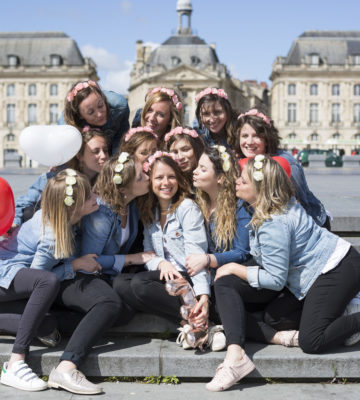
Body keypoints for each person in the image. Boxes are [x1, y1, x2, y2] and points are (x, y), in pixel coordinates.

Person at [206, 156, 360, 392]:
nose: (236, 181)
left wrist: (234, 268)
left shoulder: (273, 222)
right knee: (275, 318)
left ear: (261, 187)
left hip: (337, 268)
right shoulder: (271, 208)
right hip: (310, 276)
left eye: (243, 179)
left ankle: (354, 312)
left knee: (312, 341)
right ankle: (342, 307)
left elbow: (275, 280)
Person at [0, 169, 98, 392]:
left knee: (47, 324)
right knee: (48, 283)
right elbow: (39, 279)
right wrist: (74, 265)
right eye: (90, 196)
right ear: (73, 206)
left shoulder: (59, 219)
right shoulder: (52, 233)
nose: (95, 197)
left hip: (6, 282)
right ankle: (16, 362)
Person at [113, 152, 211, 346]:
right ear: (151, 182)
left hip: (188, 275)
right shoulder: (151, 211)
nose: (166, 182)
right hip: (167, 276)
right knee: (120, 283)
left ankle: (197, 316)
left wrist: (204, 295)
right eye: (159, 177)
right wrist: (161, 262)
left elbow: (196, 254)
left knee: (140, 284)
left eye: (171, 176)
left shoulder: (187, 208)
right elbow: (150, 254)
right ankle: (192, 322)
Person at [235, 108, 330, 228]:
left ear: (267, 139)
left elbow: (301, 205)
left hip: (308, 224)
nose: (249, 141)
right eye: (244, 136)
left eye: (256, 136)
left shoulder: (285, 163)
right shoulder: (241, 161)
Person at [13, 129, 109, 227]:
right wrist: (15, 222)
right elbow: (24, 203)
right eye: (96, 151)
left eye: (105, 150)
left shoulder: (110, 180)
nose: (103, 155)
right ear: (80, 156)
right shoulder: (57, 177)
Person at [80, 152, 155, 277]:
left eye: (143, 171)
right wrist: (132, 258)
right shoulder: (100, 216)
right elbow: (88, 261)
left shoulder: (132, 205)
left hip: (114, 275)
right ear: (123, 190)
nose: (147, 177)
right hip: (91, 278)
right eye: (140, 178)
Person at [188, 145, 250, 281]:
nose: (195, 172)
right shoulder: (197, 204)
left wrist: (208, 259)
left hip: (230, 278)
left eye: (202, 169)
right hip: (202, 275)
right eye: (197, 166)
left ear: (220, 178)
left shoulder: (240, 207)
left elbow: (242, 252)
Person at [61, 80, 129, 154]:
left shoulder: (120, 106)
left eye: (100, 106)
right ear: (79, 115)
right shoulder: (67, 127)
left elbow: (120, 139)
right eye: (91, 112)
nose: (99, 114)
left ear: (103, 99)